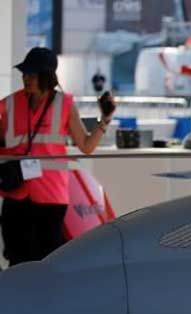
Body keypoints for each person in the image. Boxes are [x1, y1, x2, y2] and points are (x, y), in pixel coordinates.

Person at [0, 47, 116, 266]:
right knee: (16, 260)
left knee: (47, 262)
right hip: (15, 193)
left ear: (47, 76)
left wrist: (105, 119)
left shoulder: (64, 105)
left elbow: (86, 146)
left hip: (50, 197)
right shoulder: (9, 104)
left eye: (32, 74)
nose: (26, 78)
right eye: (24, 73)